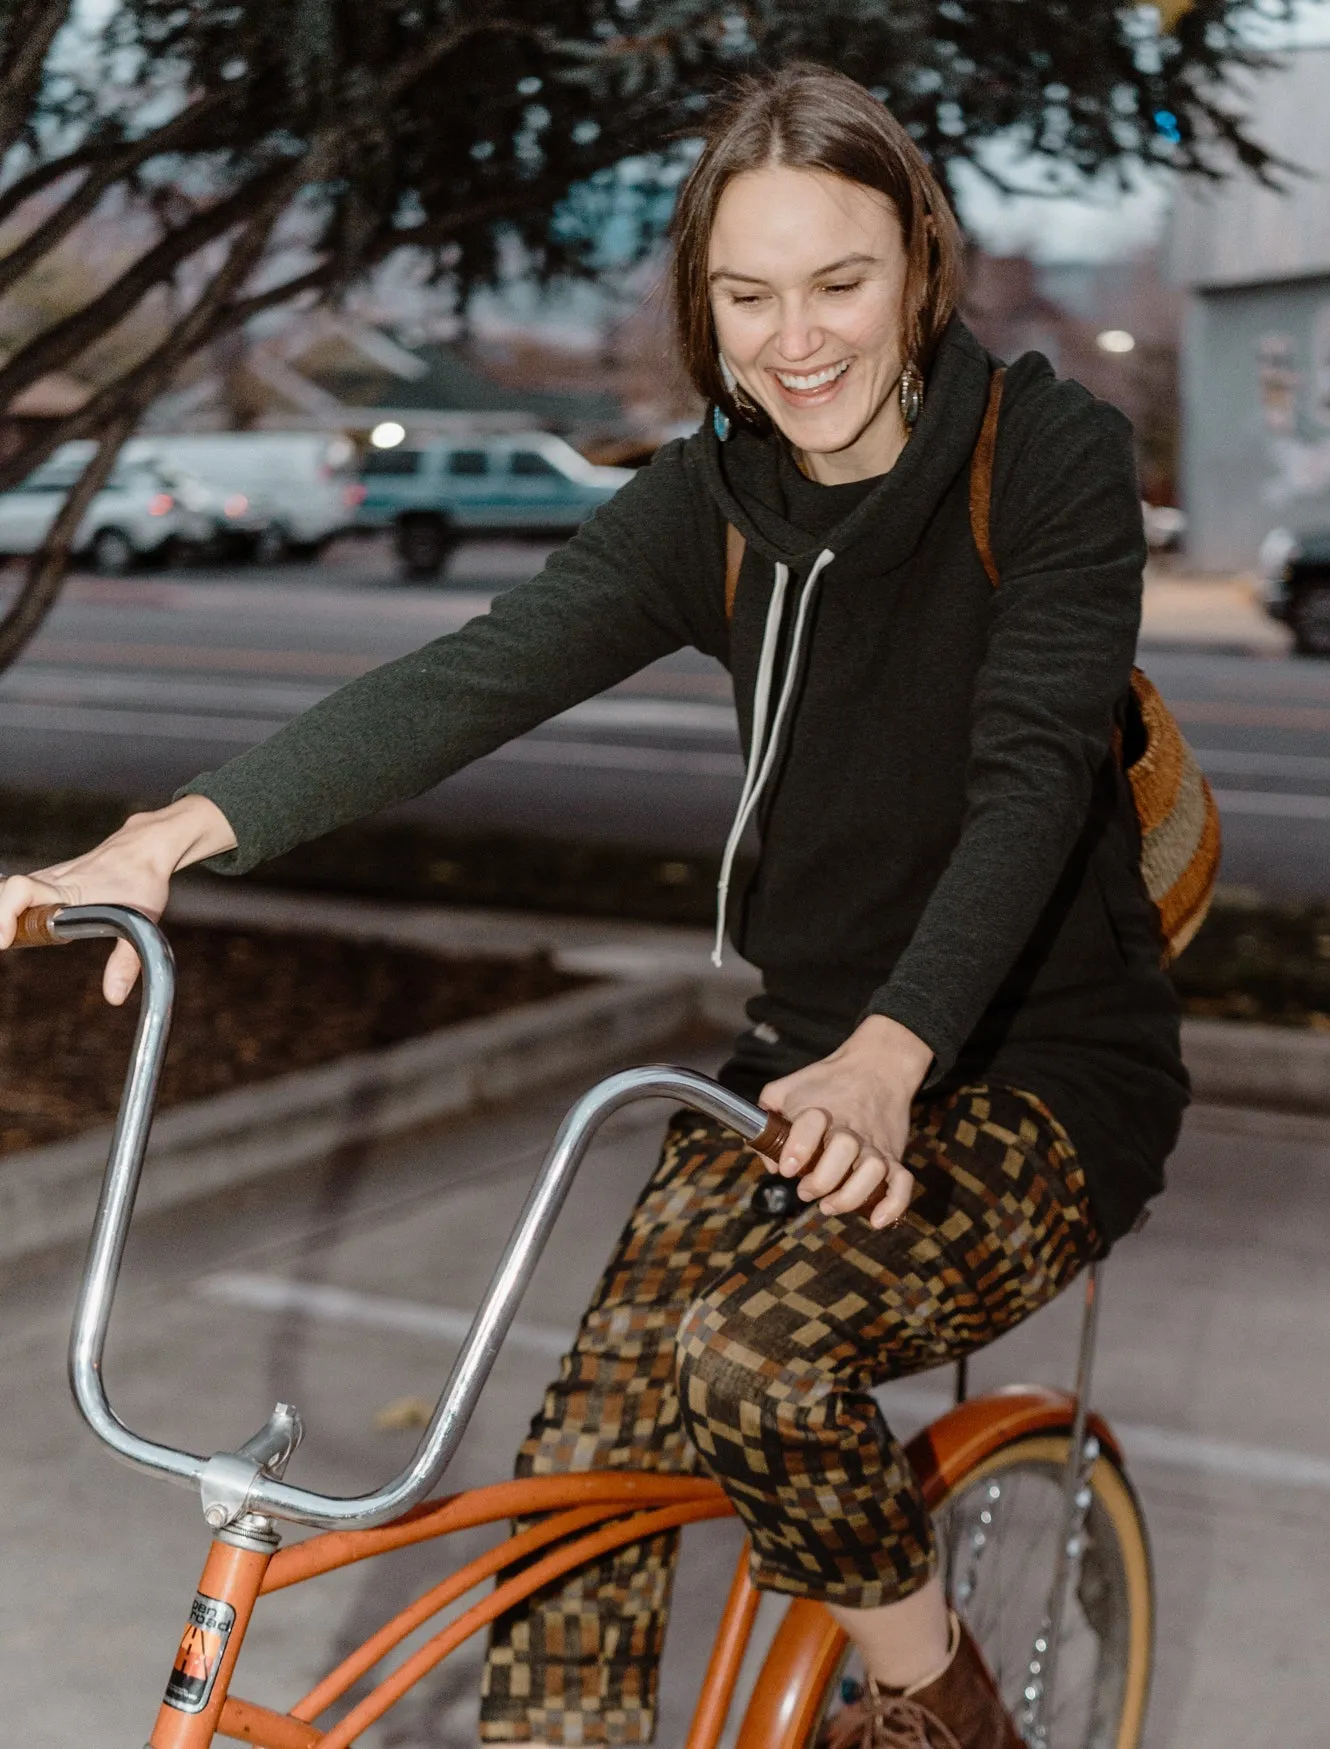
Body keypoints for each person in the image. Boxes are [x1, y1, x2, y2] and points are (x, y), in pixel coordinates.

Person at [0, 65, 1189, 1749]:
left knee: (760, 1364)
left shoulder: (1045, 457)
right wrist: (171, 837)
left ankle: (942, 1707)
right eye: (748, 295)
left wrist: (890, 1054)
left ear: (921, 265)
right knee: (575, 1491)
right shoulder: (711, 498)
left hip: (1037, 1073)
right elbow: (472, 676)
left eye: (841, 283)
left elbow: (1034, 776)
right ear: (703, 304)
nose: (798, 343)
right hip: (789, 1070)